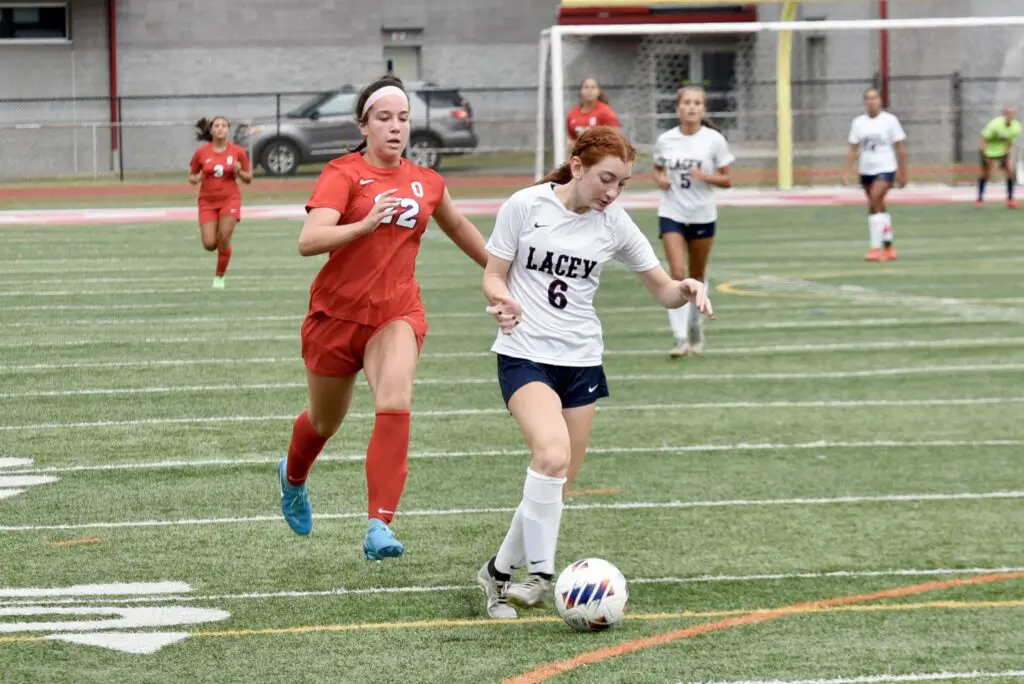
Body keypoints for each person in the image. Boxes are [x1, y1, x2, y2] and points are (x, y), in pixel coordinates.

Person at [474, 125, 713, 618]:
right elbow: (494, 275)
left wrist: (686, 288)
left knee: (556, 479)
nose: (613, 192)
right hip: (525, 353)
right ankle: (541, 575)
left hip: (581, 359)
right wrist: (503, 301)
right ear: (578, 167)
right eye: (607, 179)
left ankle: (497, 572)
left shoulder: (615, 224)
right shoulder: (525, 206)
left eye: (622, 183)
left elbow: (663, 289)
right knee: (551, 453)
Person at [277, 75, 490, 561]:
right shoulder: (343, 173)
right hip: (335, 317)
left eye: (404, 118)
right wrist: (366, 223)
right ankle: (293, 477)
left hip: (395, 313)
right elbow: (309, 241)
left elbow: (460, 227)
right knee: (324, 422)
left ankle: (379, 524)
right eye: (384, 118)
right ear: (364, 125)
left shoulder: (427, 182)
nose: (396, 127)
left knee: (395, 400)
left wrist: (506, 274)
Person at [652, 85, 734, 358]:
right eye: (686, 102)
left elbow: (727, 179)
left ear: (703, 108)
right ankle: (679, 338)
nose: (691, 107)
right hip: (672, 212)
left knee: (697, 275)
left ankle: (695, 325)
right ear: (678, 108)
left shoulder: (714, 140)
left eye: (697, 103)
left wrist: (705, 177)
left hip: (702, 213)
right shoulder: (666, 140)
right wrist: (660, 180)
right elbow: (658, 168)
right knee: (677, 273)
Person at [188, 116, 252, 289]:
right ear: (211, 130)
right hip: (207, 201)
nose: (220, 128)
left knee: (224, 237)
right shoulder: (201, 152)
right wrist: (196, 178)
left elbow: (248, 178)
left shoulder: (237, 152)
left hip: (230, 199)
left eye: (224, 125)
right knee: (209, 244)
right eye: (216, 125)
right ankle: (223, 247)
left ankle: (219, 276)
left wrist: (239, 171)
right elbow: (192, 175)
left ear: (228, 129)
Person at [844, 88, 908, 262]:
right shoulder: (858, 122)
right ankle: (888, 246)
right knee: (876, 206)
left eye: (874, 98)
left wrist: (903, 173)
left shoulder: (890, 121)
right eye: (868, 99)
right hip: (866, 169)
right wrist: (848, 170)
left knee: (875, 197)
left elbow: (900, 148)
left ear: (880, 100)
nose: (871, 102)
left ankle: (875, 247)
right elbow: (853, 148)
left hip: (886, 167)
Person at [976, 106, 1021, 209]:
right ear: (1004, 114)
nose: (1011, 116)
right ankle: (979, 200)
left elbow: (1010, 142)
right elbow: (984, 139)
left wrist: (1006, 155)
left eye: (1013, 114)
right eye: (1009, 114)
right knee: (986, 174)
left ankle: (1010, 200)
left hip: (1002, 152)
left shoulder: (1016, 127)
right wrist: (984, 155)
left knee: (1010, 172)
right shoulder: (995, 125)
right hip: (989, 151)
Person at [566, 78, 621, 146]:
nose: (589, 90)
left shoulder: (605, 111)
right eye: (586, 87)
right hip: (580, 151)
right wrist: (572, 143)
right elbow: (570, 138)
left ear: (598, 91)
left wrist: (592, 135)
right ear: (580, 91)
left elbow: (616, 138)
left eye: (593, 87)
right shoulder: (572, 114)